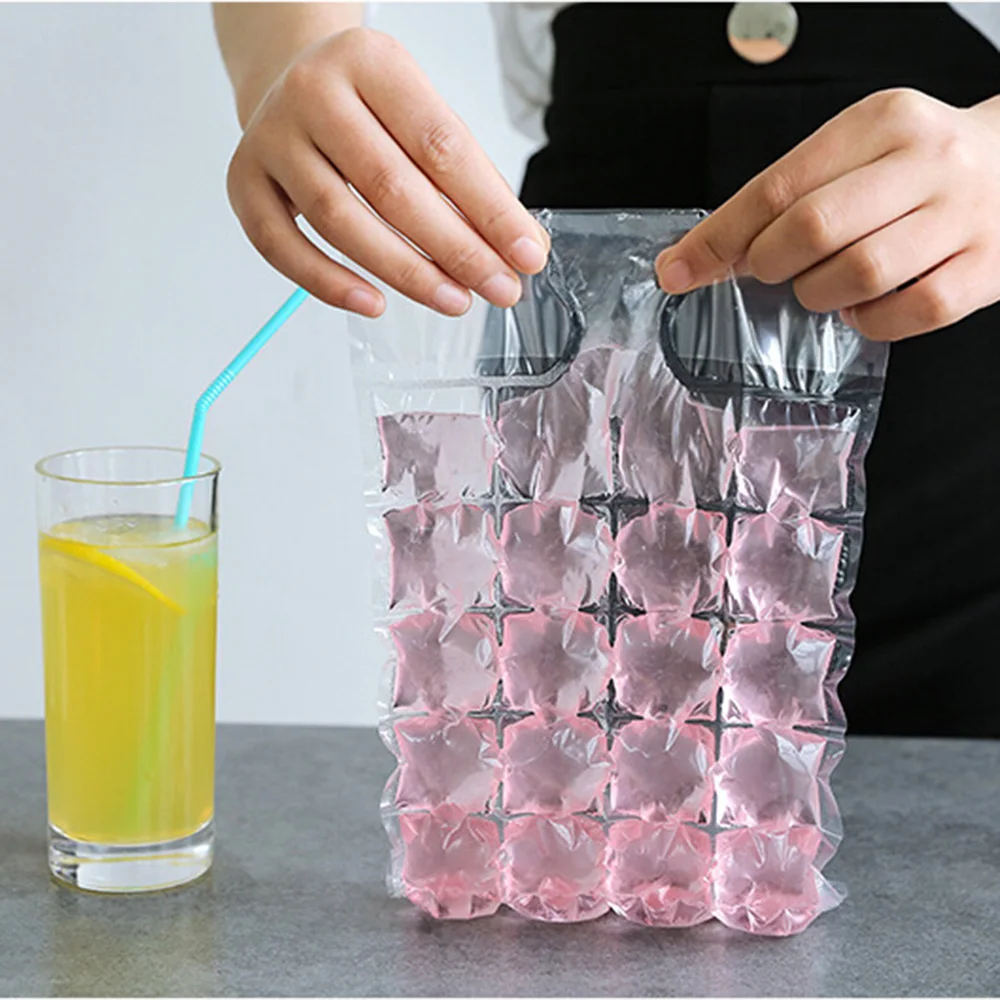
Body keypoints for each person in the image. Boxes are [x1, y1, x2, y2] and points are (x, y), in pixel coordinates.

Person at [213, 2, 1000, 738]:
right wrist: (291, 59)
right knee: (559, 746)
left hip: (945, 236)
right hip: (588, 272)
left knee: (961, 778)